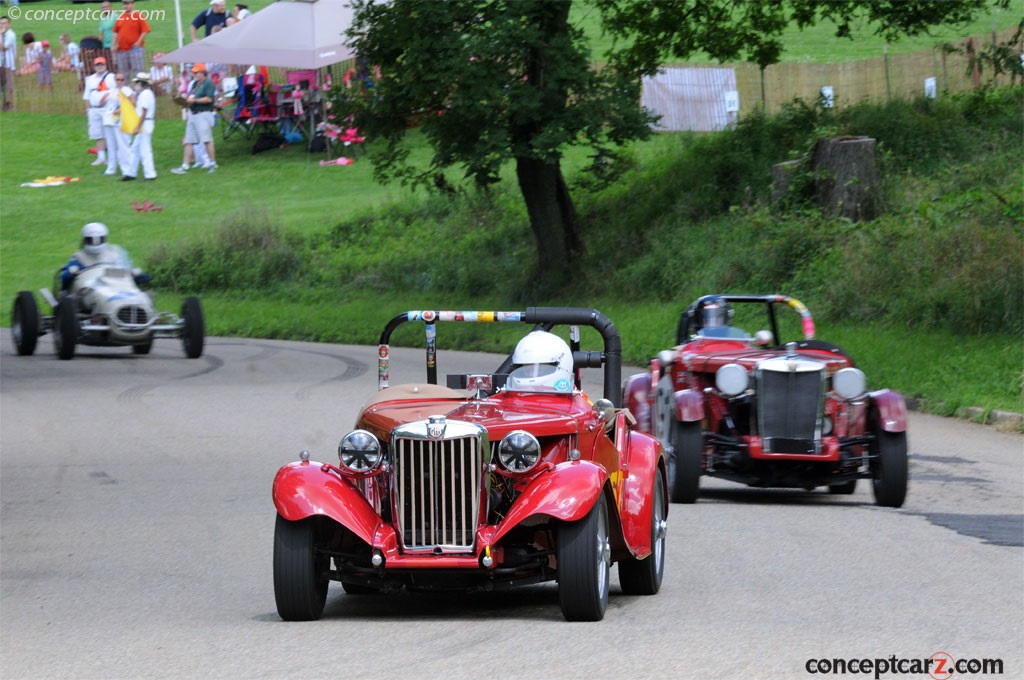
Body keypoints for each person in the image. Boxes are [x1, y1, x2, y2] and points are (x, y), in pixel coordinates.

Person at [60, 223, 145, 292]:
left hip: (113, 288)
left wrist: (133, 274)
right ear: (85, 240)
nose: (95, 243)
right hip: (87, 291)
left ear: (104, 239)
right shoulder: (78, 257)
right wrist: (70, 272)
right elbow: (64, 279)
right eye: (91, 240)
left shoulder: (113, 256)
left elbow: (123, 275)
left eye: (98, 240)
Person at [171, 63, 217, 174]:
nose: (194, 74)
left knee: (207, 140)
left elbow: (209, 99)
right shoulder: (195, 84)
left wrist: (194, 101)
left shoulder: (208, 83)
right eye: (194, 72)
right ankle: (185, 165)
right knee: (189, 141)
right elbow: (190, 98)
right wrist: (184, 103)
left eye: (196, 72)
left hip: (203, 114)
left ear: (203, 72)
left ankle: (213, 164)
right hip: (193, 113)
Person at [505, 330, 575, 394]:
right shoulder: (509, 399)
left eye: (540, 369)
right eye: (526, 369)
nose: (531, 374)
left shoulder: (576, 404)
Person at [121, 72, 155, 181]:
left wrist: (137, 127)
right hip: (144, 123)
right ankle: (131, 172)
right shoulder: (146, 94)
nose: (136, 85)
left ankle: (150, 174)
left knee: (145, 149)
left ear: (142, 83)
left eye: (137, 83)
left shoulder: (145, 94)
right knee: (135, 148)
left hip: (144, 123)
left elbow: (144, 112)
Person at [83, 55, 116, 167]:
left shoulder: (111, 77)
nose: (100, 66)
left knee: (109, 133)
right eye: (97, 65)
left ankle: (112, 156)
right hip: (94, 109)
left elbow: (115, 92)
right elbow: (86, 95)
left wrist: (106, 101)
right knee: (97, 133)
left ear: (105, 65)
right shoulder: (90, 79)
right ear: (94, 66)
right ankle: (101, 157)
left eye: (101, 64)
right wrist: (88, 110)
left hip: (107, 108)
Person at [104, 71, 133, 177]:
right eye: (117, 79)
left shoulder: (127, 90)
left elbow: (132, 101)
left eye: (121, 80)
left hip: (121, 121)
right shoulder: (111, 91)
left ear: (124, 81)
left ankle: (127, 168)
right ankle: (111, 167)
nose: (119, 81)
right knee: (111, 145)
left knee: (123, 145)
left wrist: (121, 109)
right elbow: (104, 102)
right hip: (109, 119)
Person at [112, 0, 149, 78]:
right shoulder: (120, 17)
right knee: (123, 73)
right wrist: (113, 45)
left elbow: (145, 30)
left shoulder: (138, 15)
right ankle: (125, 89)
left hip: (135, 48)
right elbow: (115, 32)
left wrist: (139, 42)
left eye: (128, 3)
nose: (126, 6)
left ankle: (139, 89)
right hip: (122, 50)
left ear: (132, 4)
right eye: (124, 4)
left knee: (138, 72)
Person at [1, 16, 15, 110]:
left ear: (9, 24)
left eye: (5, 23)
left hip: (8, 64)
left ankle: (10, 104)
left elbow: (3, 48)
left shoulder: (11, 35)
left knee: (9, 85)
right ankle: (2, 104)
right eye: (1, 23)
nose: (3, 25)